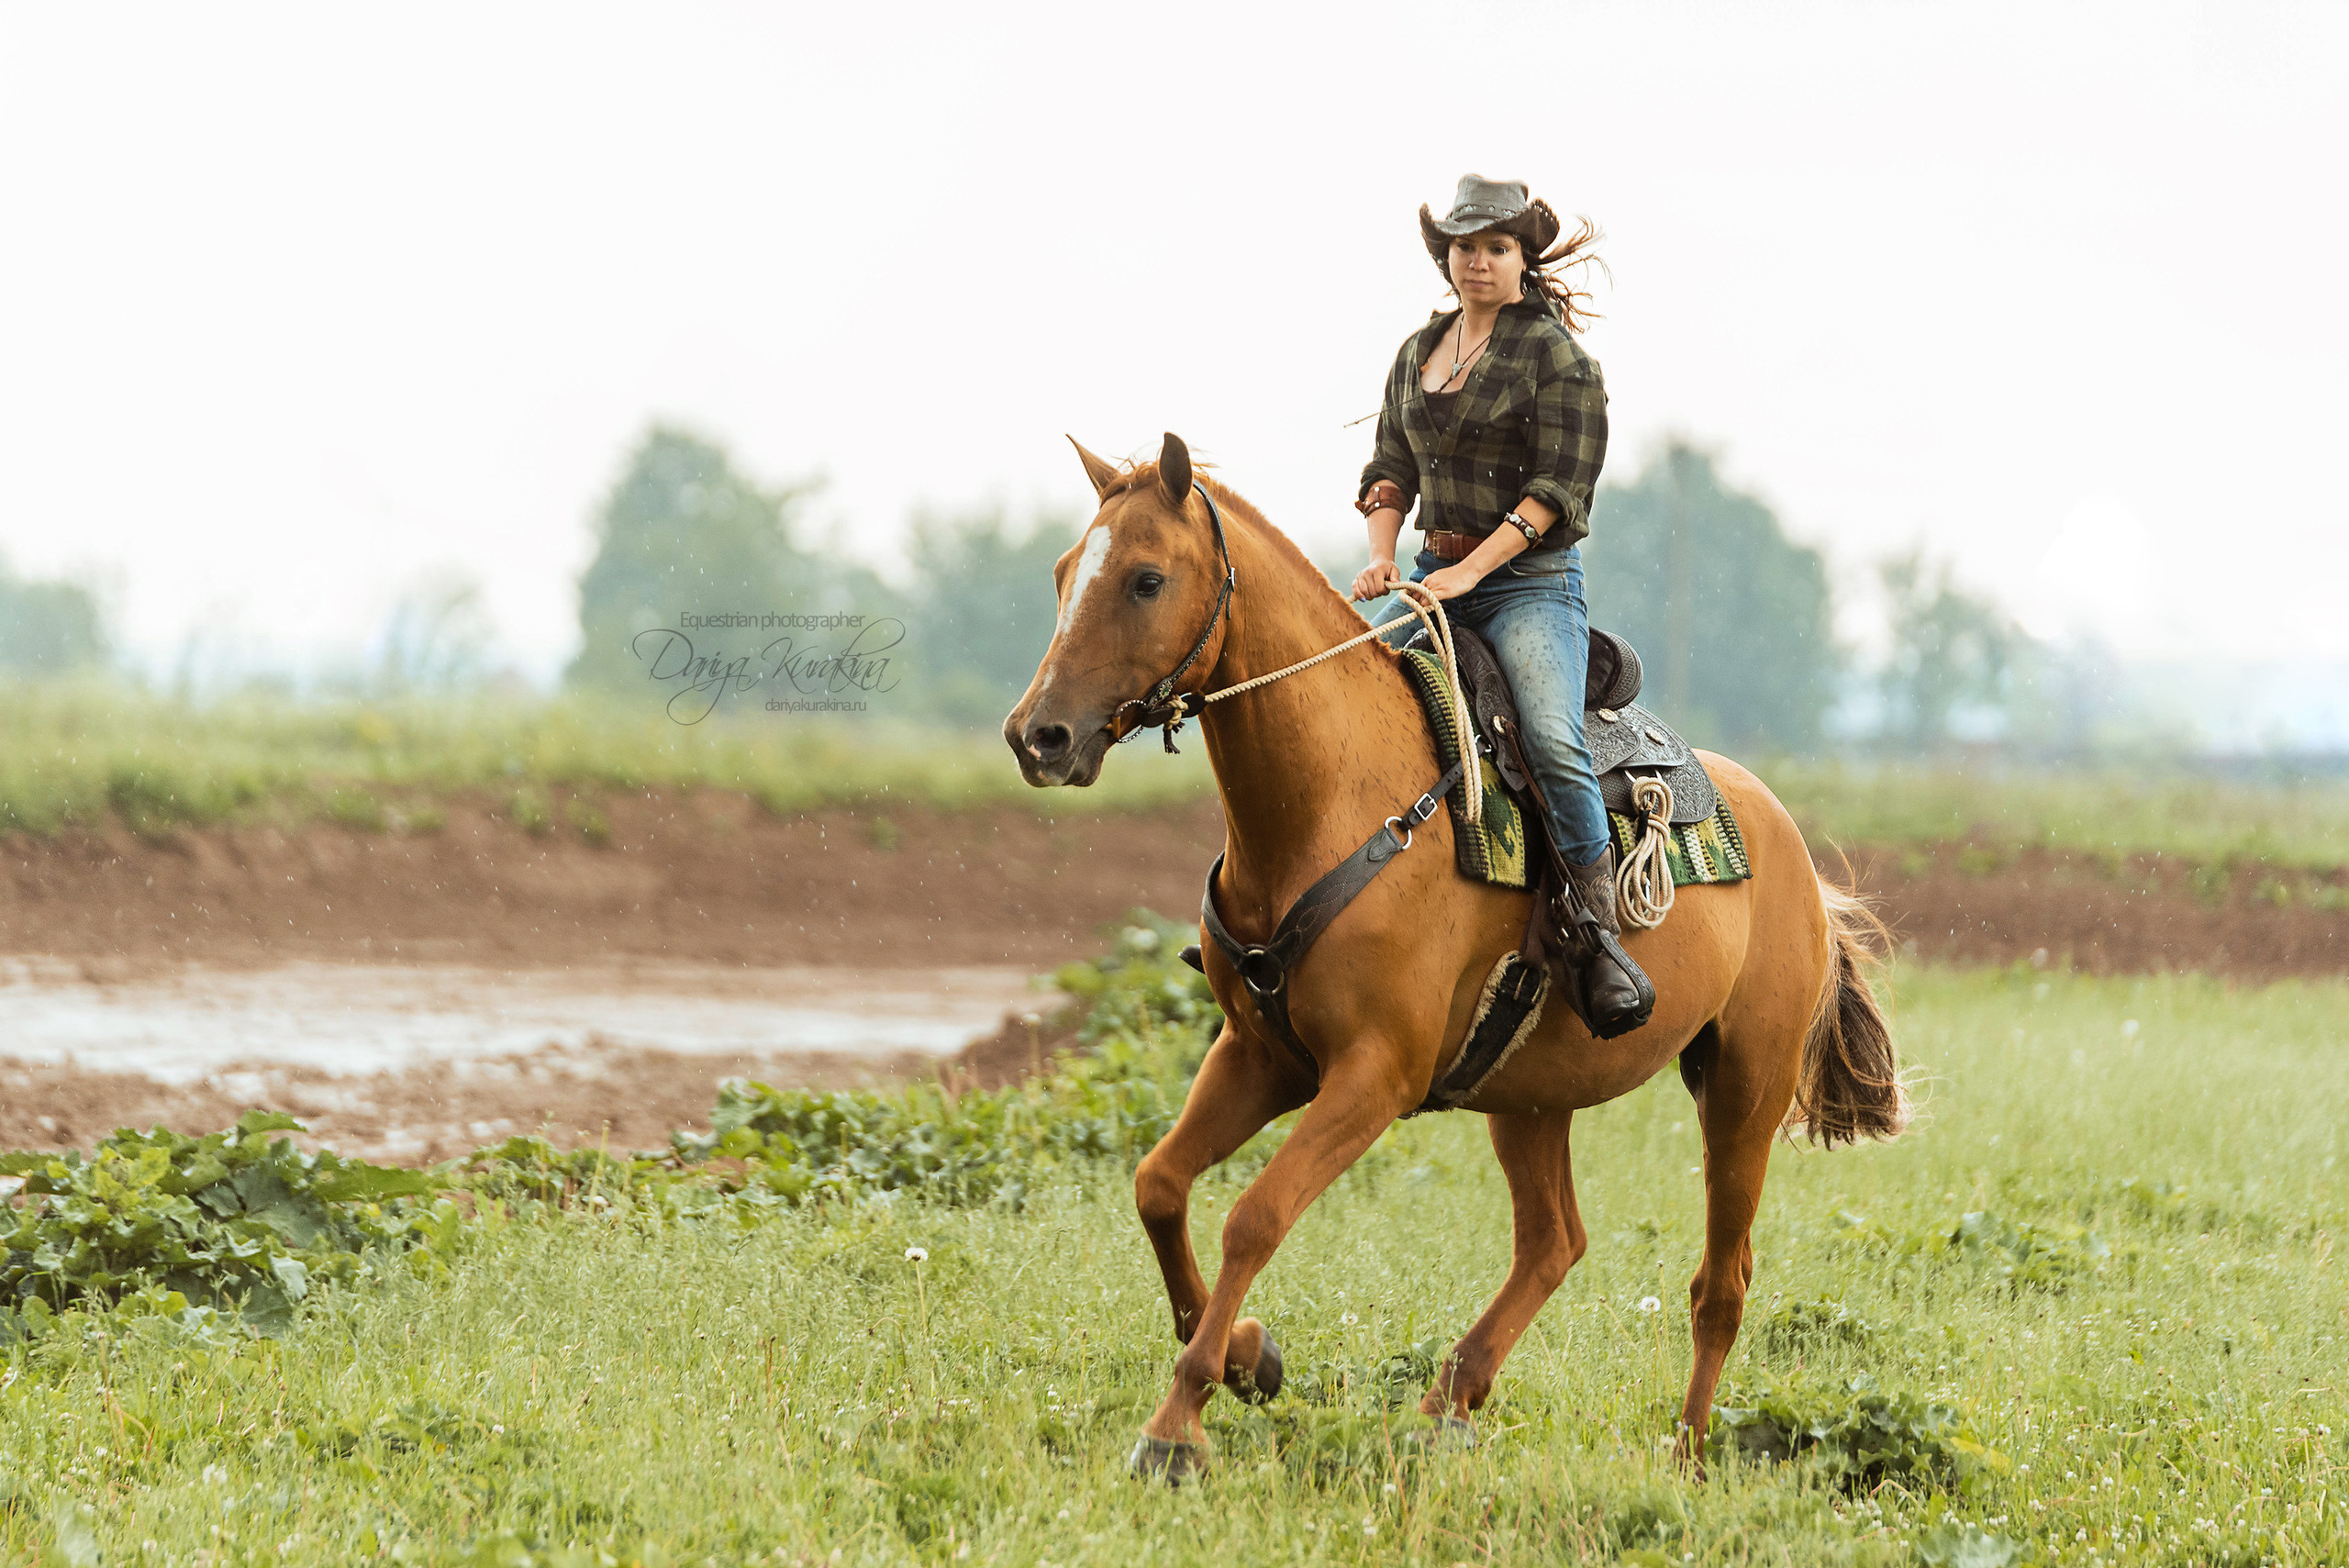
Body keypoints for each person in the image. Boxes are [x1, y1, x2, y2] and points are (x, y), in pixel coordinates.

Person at [1350, 172, 1653, 1038]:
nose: (1477, 261)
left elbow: (1557, 492)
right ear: (1444, 256)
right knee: (1340, 700)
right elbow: (1389, 469)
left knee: (1553, 741)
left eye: (1495, 247)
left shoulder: (1558, 358)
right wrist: (1381, 559)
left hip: (1528, 586)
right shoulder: (1418, 352)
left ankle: (1598, 938)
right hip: (1426, 574)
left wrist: (1467, 574)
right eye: (1464, 246)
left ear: (1524, 257)